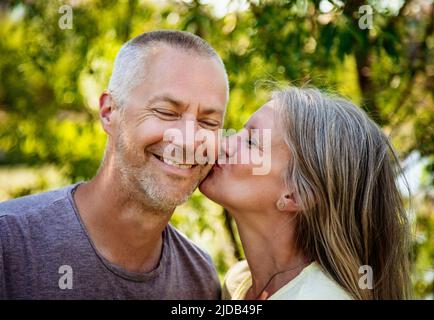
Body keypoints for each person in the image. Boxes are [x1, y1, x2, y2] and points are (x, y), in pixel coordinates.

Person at [0, 30, 229, 299]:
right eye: (166, 112)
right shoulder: (9, 244)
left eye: (208, 122)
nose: (189, 141)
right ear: (110, 112)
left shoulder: (200, 279)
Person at [200, 86, 412, 300]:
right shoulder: (239, 283)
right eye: (240, 132)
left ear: (297, 195)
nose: (223, 143)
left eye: (250, 142)